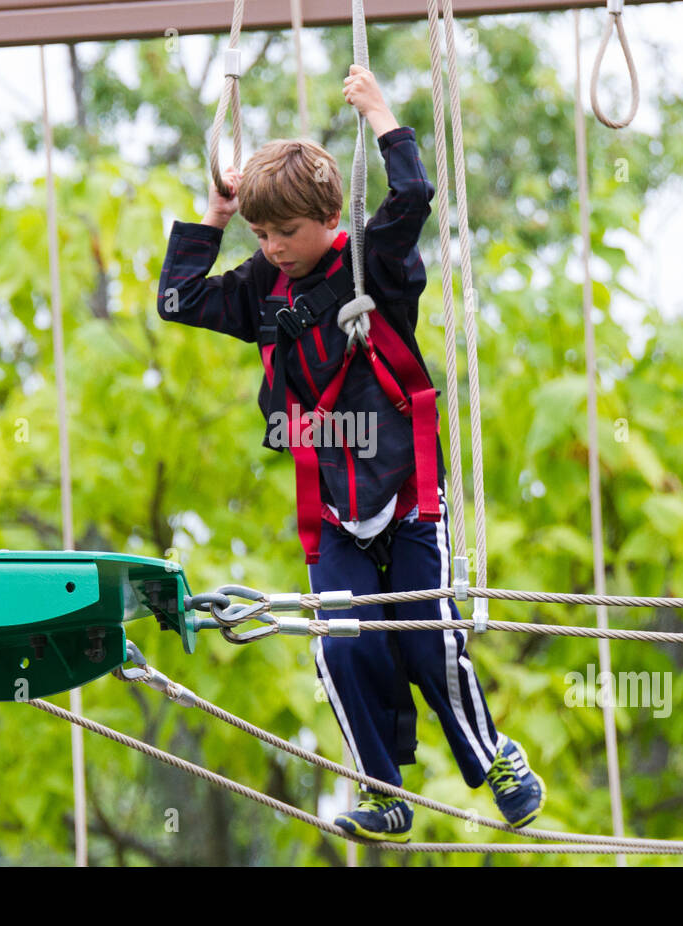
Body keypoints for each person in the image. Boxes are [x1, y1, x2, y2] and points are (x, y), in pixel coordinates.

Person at [156, 64, 544, 842]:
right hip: (333, 508)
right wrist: (217, 213)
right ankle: (382, 787)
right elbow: (178, 299)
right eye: (261, 235)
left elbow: (415, 199)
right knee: (340, 647)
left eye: (286, 233)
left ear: (329, 217)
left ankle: (493, 754)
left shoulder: (377, 264)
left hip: (405, 495)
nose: (273, 248)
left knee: (429, 638)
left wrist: (380, 115)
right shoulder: (262, 286)